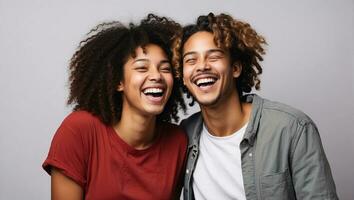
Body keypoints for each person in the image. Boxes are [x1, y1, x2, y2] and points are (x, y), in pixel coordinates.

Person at [173, 13, 338, 200]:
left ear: (235, 68)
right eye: (191, 60)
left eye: (214, 56)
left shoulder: (292, 129)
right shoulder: (184, 136)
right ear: (183, 77)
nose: (201, 66)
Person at [42, 14, 188, 200]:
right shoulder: (79, 131)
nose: (157, 76)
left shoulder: (178, 142)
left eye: (165, 69)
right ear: (119, 82)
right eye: (142, 68)